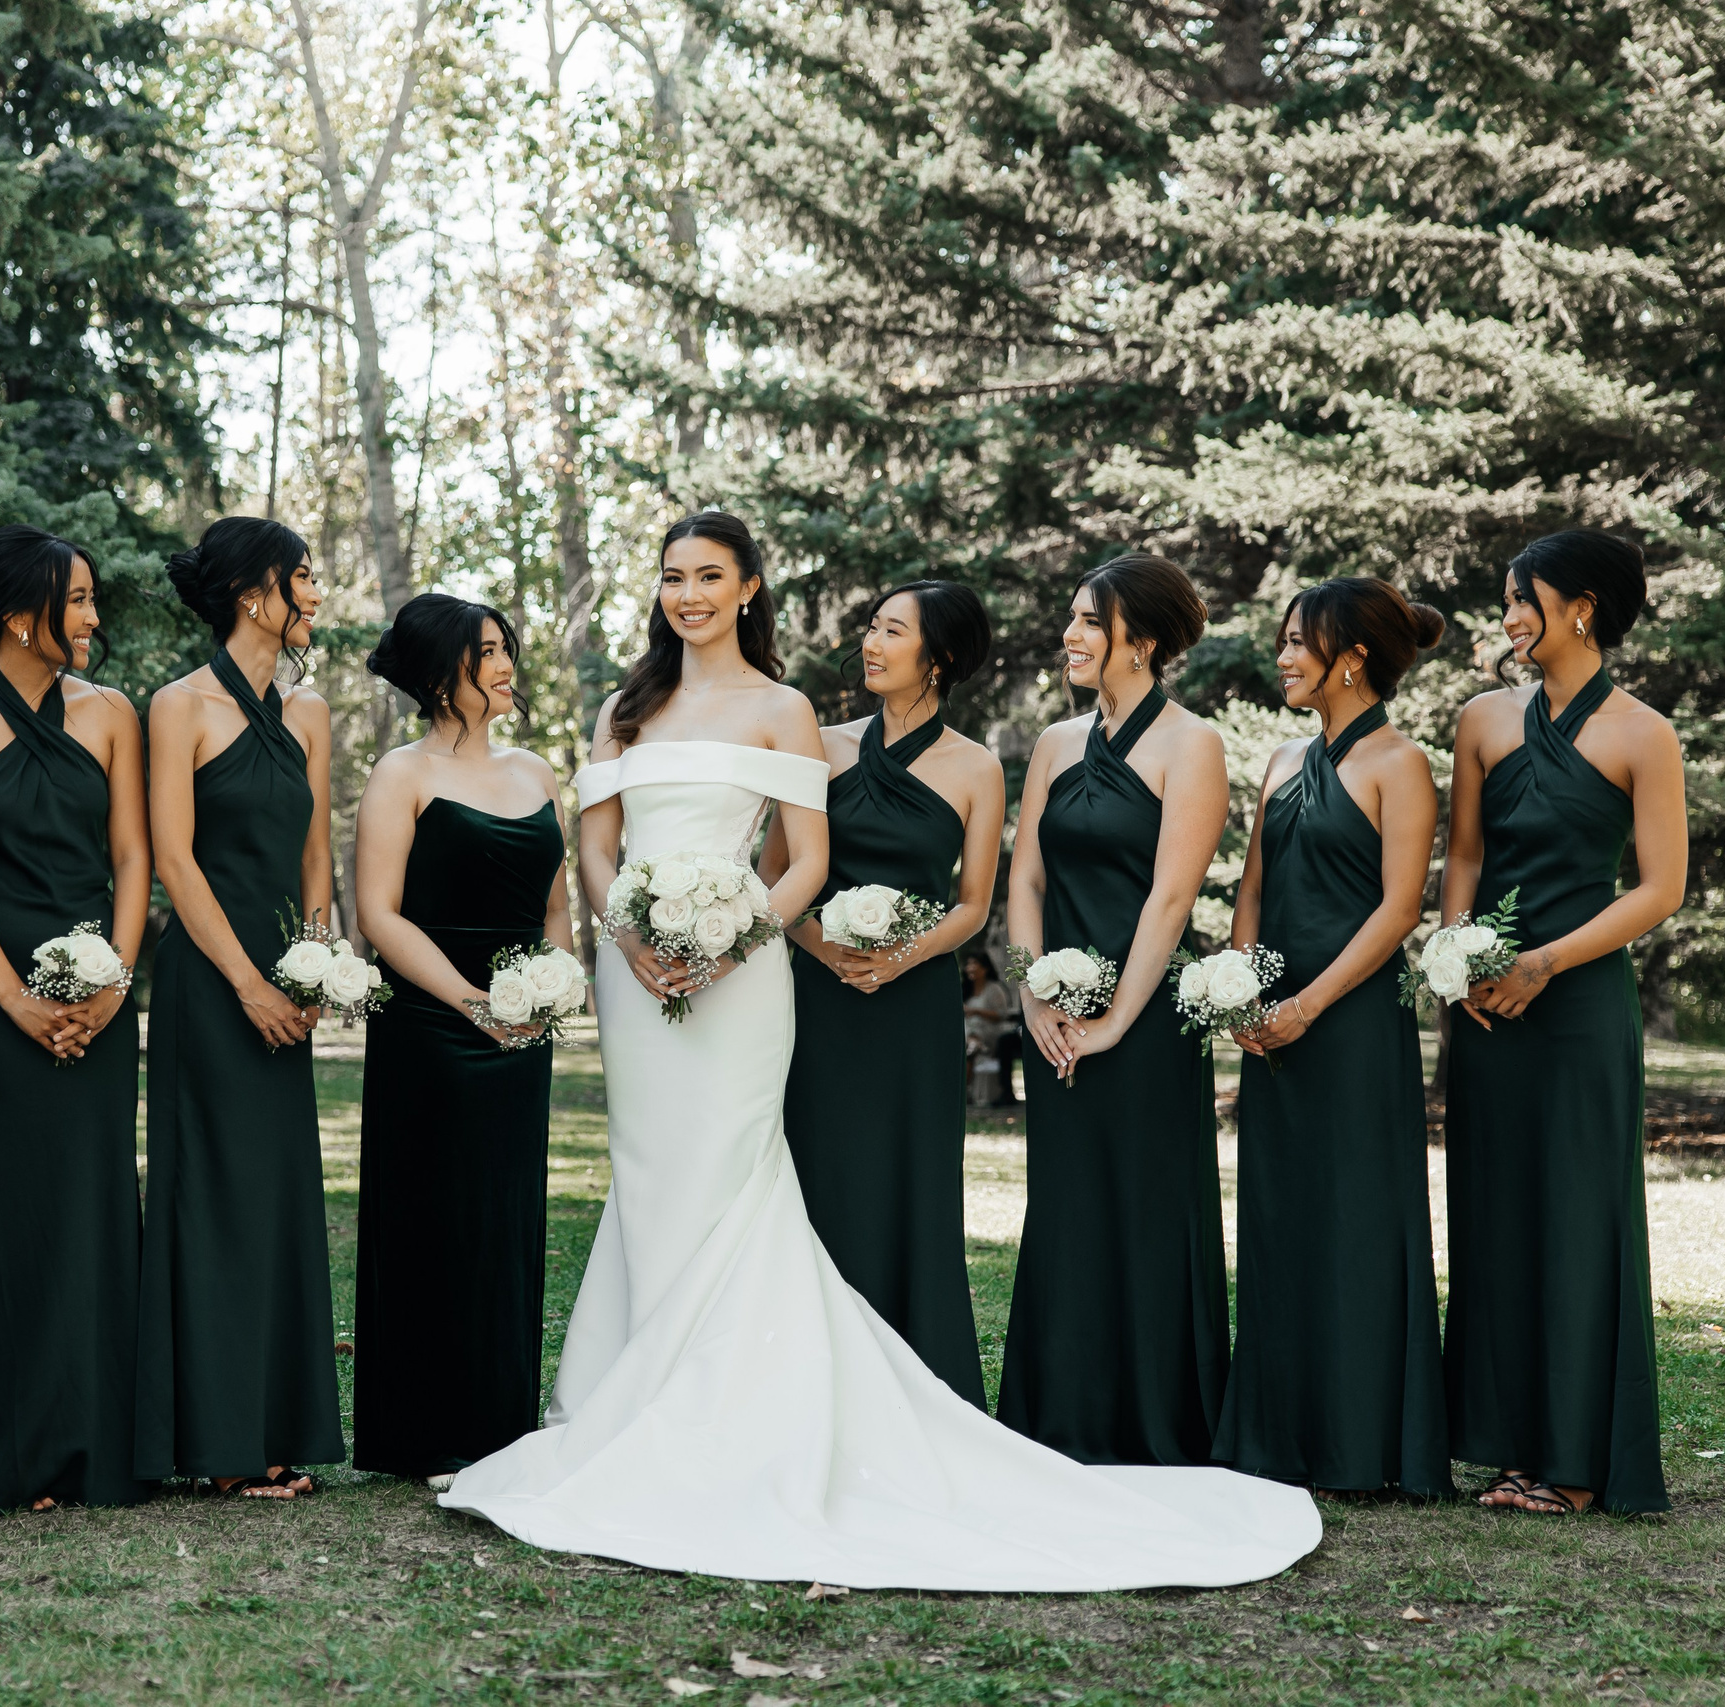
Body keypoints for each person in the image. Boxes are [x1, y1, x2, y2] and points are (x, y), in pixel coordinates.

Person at [439, 515, 1318, 1591]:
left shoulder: (788, 710)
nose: (687, 593)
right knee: (646, 1174)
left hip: (745, 971)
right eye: (672, 576)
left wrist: (733, 937)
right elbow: (597, 838)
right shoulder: (628, 707)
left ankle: (747, 1406)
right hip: (642, 972)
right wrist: (630, 929)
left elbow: (816, 864)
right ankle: (632, 1390)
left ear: (751, 587)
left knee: (736, 1175)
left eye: (709, 575)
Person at [0, 525, 151, 1516]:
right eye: (79, 600)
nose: (95, 618)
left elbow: (133, 858)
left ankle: (89, 1450)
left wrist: (116, 980)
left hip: (99, 995)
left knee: (86, 1221)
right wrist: (11, 995)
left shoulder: (112, 716)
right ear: (20, 615)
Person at [1443, 530, 1685, 1516]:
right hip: (1487, 1005)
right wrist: (1459, 947)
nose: (1507, 617)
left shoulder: (1642, 734)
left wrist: (1548, 959)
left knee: (1580, 1219)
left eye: (1522, 599)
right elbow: (1461, 852)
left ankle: (1580, 1465)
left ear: (1580, 607)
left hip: (1580, 1003)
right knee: (1495, 1215)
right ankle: (1508, 1450)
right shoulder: (1480, 722)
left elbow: (1661, 888)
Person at [1214, 578, 1452, 1497]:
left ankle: (1361, 1444)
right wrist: (1239, 989)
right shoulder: (1278, 759)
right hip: (1270, 1024)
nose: (1282, 656)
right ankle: (1274, 1434)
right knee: (1279, 1218)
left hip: (1349, 1024)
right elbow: (1251, 888)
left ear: (1351, 656)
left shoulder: (1402, 764)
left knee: (1357, 1219)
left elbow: (1400, 910)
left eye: (1297, 642)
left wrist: (1307, 1005)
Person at [997, 554, 1232, 1467]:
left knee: (1145, 1208)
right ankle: (1059, 1417)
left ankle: (1156, 1422)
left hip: (1145, 1024)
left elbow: (1171, 903)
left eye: (1089, 621)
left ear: (1142, 638)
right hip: (1055, 1016)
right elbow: (1024, 878)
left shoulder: (1192, 744)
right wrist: (1034, 992)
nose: (1071, 635)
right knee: (1067, 1210)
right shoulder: (1055, 743)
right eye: (1071, 618)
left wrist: (1114, 1022)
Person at [132, 517, 343, 1500]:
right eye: (301, 579)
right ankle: (217, 1443)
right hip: (209, 987)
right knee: (211, 1201)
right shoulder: (176, 708)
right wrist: (249, 984)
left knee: (275, 1205)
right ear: (253, 594)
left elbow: (313, 859)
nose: (313, 595)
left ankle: (274, 1425)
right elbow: (172, 860)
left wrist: (309, 968)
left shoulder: (311, 718)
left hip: (286, 989)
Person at [352, 593, 573, 1486]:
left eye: (505, 647)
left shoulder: (539, 773)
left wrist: (547, 988)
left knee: (503, 1220)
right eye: (487, 652)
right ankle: (419, 1431)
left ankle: (497, 1422)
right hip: (431, 1027)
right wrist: (472, 1000)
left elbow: (558, 908)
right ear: (443, 671)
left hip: (524, 1031)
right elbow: (379, 914)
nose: (505, 663)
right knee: (431, 1217)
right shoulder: (398, 774)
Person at [765, 580, 1003, 1405]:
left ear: (937, 657)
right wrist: (822, 946)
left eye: (890, 631)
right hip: (816, 1000)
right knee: (815, 1170)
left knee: (913, 1183)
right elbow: (773, 877)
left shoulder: (976, 767)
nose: (869, 642)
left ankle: (919, 1387)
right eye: (869, 626)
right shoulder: (819, 747)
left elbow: (974, 901)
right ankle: (804, 1381)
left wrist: (903, 956)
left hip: (915, 1009)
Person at [963, 952, 1019, 1106]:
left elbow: (1002, 1015)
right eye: (969, 964)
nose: (971, 968)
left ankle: (963, 1092)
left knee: (971, 1045)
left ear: (985, 968)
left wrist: (976, 1011)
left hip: (990, 1031)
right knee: (968, 1041)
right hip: (968, 1030)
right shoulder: (965, 990)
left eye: (975, 964)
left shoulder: (994, 988)